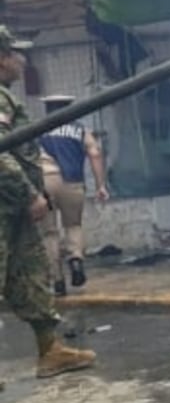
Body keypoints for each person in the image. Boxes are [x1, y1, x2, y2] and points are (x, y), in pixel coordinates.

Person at [0, 26, 96, 385]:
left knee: (33, 276)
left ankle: (50, 351)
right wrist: (29, 193)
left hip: (13, 212)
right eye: (15, 53)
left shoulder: (6, 97)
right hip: (6, 204)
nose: (22, 60)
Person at [37, 94, 110, 296]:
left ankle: (58, 281)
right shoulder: (81, 130)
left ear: (47, 109)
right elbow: (95, 154)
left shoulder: (37, 128)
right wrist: (100, 185)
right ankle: (76, 259)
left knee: (49, 232)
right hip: (73, 183)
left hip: (45, 182)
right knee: (73, 225)